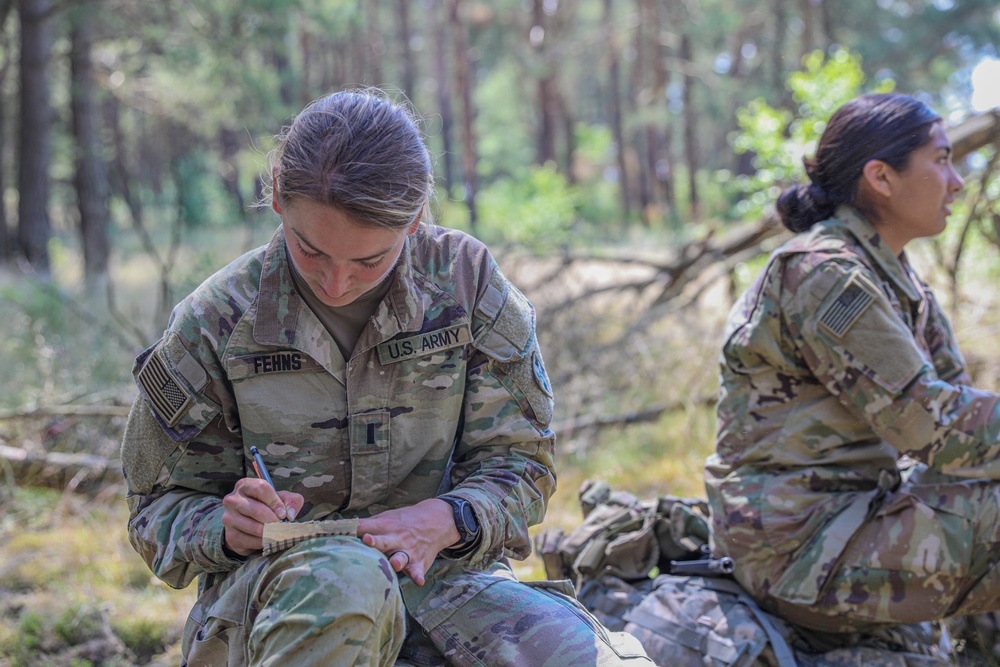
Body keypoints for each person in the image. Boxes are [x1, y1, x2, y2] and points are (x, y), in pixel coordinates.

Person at [120, 89, 652, 666]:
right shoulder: (215, 322)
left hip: (444, 584)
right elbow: (155, 510)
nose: (337, 282)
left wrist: (450, 518)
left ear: (416, 218)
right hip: (275, 603)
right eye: (311, 250)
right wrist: (225, 527)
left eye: (369, 261)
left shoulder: (466, 285)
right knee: (345, 581)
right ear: (276, 194)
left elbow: (521, 465)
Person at [703, 92, 1000, 634]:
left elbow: (960, 429)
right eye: (940, 159)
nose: (957, 181)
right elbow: (927, 424)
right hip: (798, 548)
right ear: (881, 178)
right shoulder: (825, 273)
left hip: (859, 516)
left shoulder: (898, 279)